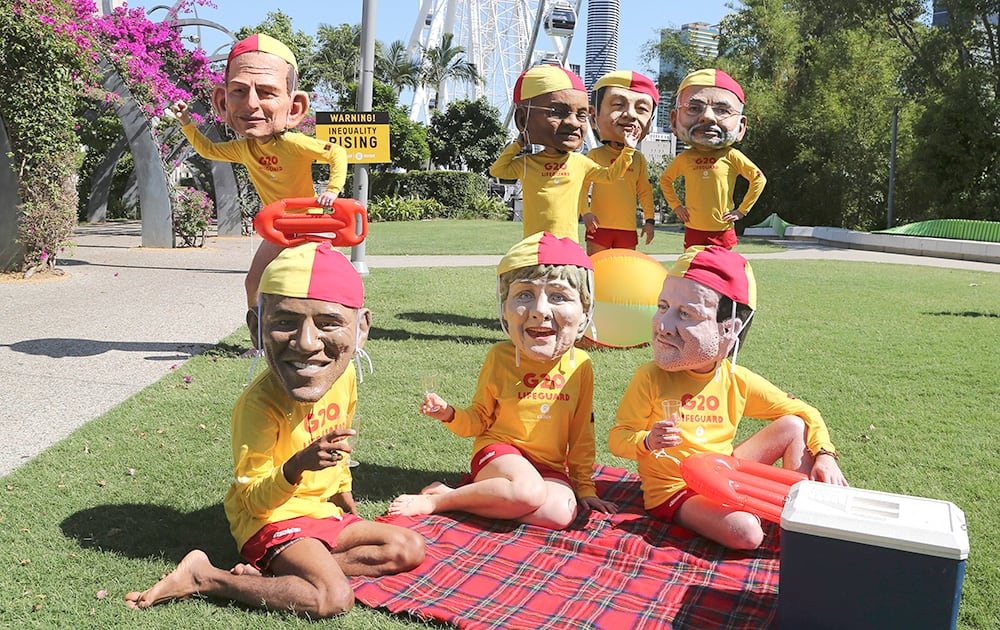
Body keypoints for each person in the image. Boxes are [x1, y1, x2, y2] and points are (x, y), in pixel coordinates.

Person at [125, 242, 424, 618]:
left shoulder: (344, 375)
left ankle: (284, 571)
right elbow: (253, 500)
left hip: (319, 511)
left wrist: (343, 487)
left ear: (360, 328)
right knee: (332, 599)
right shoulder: (258, 405)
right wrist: (298, 464)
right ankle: (207, 577)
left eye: (329, 323)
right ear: (256, 328)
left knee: (409, 548)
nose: (306, 343)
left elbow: (342, 434)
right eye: (284, 322)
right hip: (271, 518)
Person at [608, 246, 847, 549]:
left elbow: (803, 411)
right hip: (675, 488)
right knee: (746, 531)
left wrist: (824, 454)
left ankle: (803, 516)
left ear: (729, 329)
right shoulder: (649, 377)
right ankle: (767, 512)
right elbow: (618, 439)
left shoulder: (736, 380)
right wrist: (648, 441)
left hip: (722, 470)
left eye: (685, 314)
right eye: (663, 306)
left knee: (793, 426)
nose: (664, 326)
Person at [389, 231, 616, 529]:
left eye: (559, 296)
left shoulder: (581, 365)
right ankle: (440, 498)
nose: (539, 312)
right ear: (504, 306)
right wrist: (449, 414)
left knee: (560, 514)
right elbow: (480, 419)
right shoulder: (500, 357)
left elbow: (581, 432)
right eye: (524, 295)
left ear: (584, 307)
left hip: (547, 466)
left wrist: (584, 487)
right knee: (526, 491)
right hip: (498, 453)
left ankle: (492, 499)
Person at [170, 33, 348, 309]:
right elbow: (208, 150)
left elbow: (336, 152)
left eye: (266, 92)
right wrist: (185, 123)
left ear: (294, 107)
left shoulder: (294, 144)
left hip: (311, 227)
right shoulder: (245, 149)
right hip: (278, 228)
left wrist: (332, 190)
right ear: (222, 103)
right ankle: (259, 342)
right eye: (239, 91)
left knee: (318, 286)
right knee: (254, 282)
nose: (251, 104)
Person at [489, 64, 639, 243]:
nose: (573, 123)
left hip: (568, 246)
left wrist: (628, 150)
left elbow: (610, 175)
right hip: (534, 245)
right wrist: (518, 144)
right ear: (522, 120)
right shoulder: (527, 163)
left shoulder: (581, 162)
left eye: (581, 115)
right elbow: (498, 171)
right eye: (557, 113)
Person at [659, 69, 766, 250]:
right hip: (693, 227)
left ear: (741, 127)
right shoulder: (685, 158)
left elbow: (759, 179)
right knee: (693, 270)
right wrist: (676, 207)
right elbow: (665, 179)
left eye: (722, 110)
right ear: (674, 120)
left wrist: (741, 211)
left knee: (723, 271)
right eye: (694, 108)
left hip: (722, 229)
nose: (707, 117)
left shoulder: (732, 156)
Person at [579, 70, 659, 255]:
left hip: (627, 228)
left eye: (641, 109)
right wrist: (586, 212)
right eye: (617, 104)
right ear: (594, 115)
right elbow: (582, 187)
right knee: (596, 270)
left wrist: (649, 221)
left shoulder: (638, 159)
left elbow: (645, 192)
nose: (630, 115)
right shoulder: (595, 155)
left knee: (624, 272)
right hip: (599, 226)